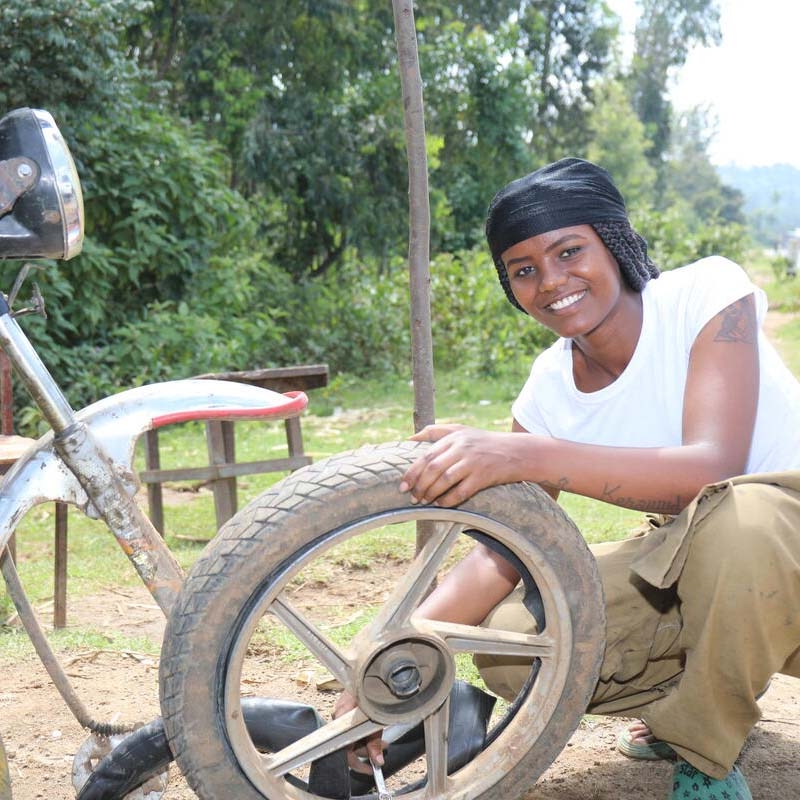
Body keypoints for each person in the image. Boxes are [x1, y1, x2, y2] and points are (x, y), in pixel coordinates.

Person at [393, 158, 800, 800]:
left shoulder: (706, 294)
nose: (551, 282)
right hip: (711, 567)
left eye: (569, 251)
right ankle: (691, 703)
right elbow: (500, 555)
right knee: (512, 641)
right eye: (523, 270)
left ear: (612, 241)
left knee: (738, 519)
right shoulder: (549, 386)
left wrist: (522, 456)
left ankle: (706, 755)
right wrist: (394, 653)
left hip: (783, 531)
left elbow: (711, 470)